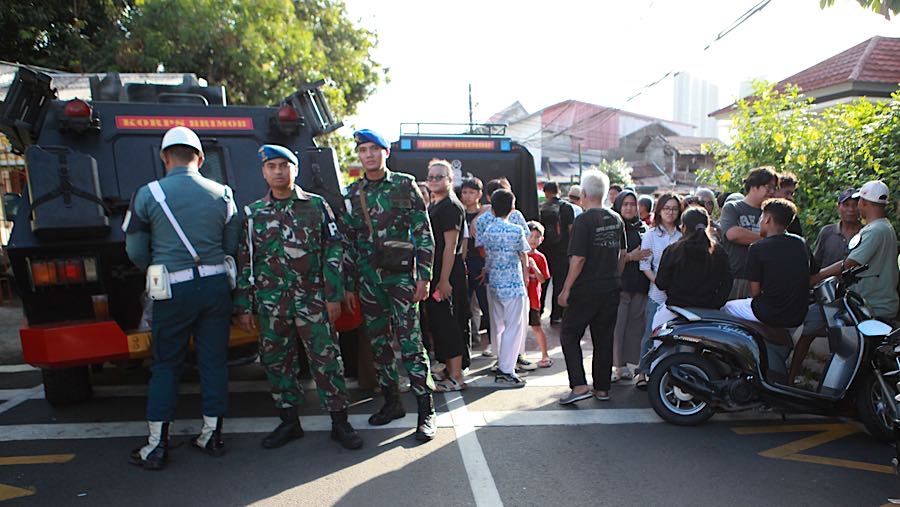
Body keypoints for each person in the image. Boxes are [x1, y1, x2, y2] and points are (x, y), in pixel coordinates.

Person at [124, 126, 240, 470]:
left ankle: (157, 445)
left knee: (166, 364)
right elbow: (230, 246)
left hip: (172, 289)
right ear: (201, 158)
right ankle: (212, 435)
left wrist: (155, 267)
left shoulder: (148, 194)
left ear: (164, 157)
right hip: (217, 285)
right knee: (213, 361)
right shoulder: (223, 193)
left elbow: (134, 249)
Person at [234, 145, 362, 450]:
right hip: (271, 302)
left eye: (284, 165)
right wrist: (244, 303)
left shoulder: (316, 206)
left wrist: (332, 294)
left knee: (326, 359)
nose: (278, 171)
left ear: (295, 169)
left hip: (312, 300)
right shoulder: (253, 213)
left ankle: (340, 422)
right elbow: (245, 259)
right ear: (264, 172)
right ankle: (289, 422)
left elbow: (334, 249)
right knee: (277, 362)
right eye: (272, 166)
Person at [341, 129, 437, 442]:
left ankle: (426, 409)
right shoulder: (353, 193)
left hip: (401, 278)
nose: (368, 154)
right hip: (369, 281)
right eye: (363, 149)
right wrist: (350, 283)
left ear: (386, 152)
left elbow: (422, 230)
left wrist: (423, 275)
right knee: (379, 345)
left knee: (410, 342)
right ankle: (392, 402)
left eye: (374, 149)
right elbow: (349, 241)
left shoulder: (404, 184)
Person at [557, 170, 626, 404]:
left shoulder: (583, 220)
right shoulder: (616, 219)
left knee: (569, 334)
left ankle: (578, 386)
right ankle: (602, 389)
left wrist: (566, 289)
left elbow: (578, 259)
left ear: (584, 194)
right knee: (603, 337)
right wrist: (614, 275)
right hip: (611, 287)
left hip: (586, 288)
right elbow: (623, 254)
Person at [723, 198, 817, 327]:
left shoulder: (757, 248)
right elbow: (812, 275)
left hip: (768, 313)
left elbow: (755, 292)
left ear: (767, 219)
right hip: (798, 314)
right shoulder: (801, 243)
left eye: (761, 217)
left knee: (726, 308)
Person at [814, 181, 898, 322]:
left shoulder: (874, 230)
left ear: (863, 203)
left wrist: (816, 277)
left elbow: (850, 263)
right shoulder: (885, 226)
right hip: (872, 305)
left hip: (873, 307)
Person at [423, 159, 469, 391]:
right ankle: (448, 371)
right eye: (430, 176)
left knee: (450, 323)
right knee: (440, 324)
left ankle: (457, 376)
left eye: (439, 176)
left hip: (447, 274)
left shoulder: (451, 206)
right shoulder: (434, 205)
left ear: (450, 180)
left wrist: (443, 280)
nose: (433, 180)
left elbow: (450, 247)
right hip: (436, 272)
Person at [480, 188, 530, 388]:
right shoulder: (516, 230)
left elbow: (485, 252)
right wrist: (526, 273)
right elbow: (523, 253)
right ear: (512, 207)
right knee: (514, 327)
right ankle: (506, 369)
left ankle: (501, 362)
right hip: (513, 282)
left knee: (499, 326)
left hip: (494, 281)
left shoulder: (488, 229)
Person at [652, 207, 733, 328]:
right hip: (709, 313)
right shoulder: (719, 252)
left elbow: (661, 283)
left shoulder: (673, 250)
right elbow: (727, 282)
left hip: (675, 311)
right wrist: (715, 304)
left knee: (653, 341)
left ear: (683, 226)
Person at [633, 193, 683, 389]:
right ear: (659, 210)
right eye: (666, 208)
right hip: (657, 293)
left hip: (679, 295)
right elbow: (645, 265)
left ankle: (669, 372)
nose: (670, 212)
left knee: (676, 335)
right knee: (650, 334)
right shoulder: (651, 235)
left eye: (674, 209)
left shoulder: (682, 235)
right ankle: (643, 371)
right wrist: (659, 283)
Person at [720, 166, 778, 299]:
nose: (772, 192)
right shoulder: (733, 207)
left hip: (764, 279)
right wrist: (768, 240)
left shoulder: (772, 212)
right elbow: (733, 234)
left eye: (774, 188)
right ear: (754, 186)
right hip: (736, 278)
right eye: (768, 187)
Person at [610, 190, 651, 382]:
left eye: (632, 204)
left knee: (636, 326)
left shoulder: (643, 228)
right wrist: (630, 257)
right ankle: (618, 365)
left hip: (641, 284)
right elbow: (608, 256)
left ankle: (631, 362)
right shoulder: (612, 226)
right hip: (620, 285)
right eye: (625, 204)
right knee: (618, 326)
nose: (629, 208)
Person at [461, 177, 491, 356]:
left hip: (481, 264)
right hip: (463, 264)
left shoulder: (486, 214)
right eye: (464, 192)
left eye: (471, 192)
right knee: (464, 305)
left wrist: (476, 218)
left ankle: (492, 343)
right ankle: (468, 341)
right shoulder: (459, 212)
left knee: (486, 305)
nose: (467, 196)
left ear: (480, 194)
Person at [538, 181, 576, 324]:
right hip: (562, 251)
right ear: (558, 190)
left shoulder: (541, 207)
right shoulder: (567, 208)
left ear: (546, 192)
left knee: (543, 282)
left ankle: (538, 311)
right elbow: (571, 229)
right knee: (559, 283)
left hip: (544, 251)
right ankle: (556, 315)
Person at [525, 221, 553, 368]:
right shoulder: (520, 254)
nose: (534, 239)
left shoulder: (540, 257)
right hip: (521, 297)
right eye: (531, 236)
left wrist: (534, 268)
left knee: (536, 327)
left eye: (537, 237)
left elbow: (543, 279)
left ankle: (545, 355)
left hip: (534, 297)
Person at [812, 188, 861, 269]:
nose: (851, 209)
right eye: (846, 205)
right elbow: (815, 263)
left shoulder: (866, 233)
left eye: (855, 205)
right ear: (838, 208)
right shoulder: (827, 232)